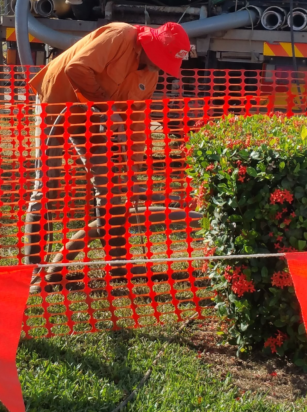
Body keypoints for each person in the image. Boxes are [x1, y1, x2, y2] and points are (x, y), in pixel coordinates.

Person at [24, 22, 190, 285]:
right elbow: (76, 69)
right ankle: (32, 272)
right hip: (56, 103)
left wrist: (132, 170)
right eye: (161, 60)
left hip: (93, 118)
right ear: (152, 47)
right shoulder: (119, 36)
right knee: (47, 186)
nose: (160, 67)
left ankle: (118, 265)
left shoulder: (150, 75)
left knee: (111, 187)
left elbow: (136, 124)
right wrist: (107, 108)